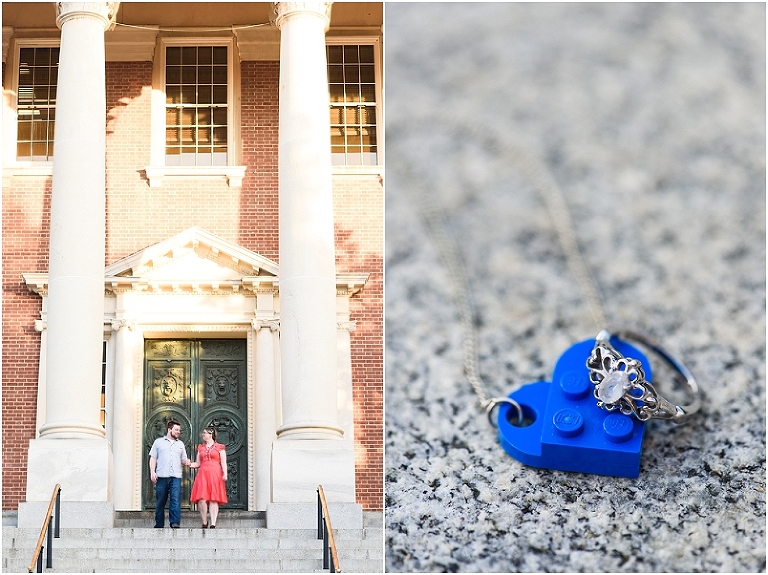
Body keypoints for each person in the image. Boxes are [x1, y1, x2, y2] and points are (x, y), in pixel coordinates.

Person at [148, 420, 191, 528]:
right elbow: (153, 458)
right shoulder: (158, 442)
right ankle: (159, 524)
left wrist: (186, 461)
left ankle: (174, 522)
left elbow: (183, 459)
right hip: (161, 476)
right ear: (169, 430)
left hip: (176, 477)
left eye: (179, 430)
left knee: (175, 500)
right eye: (176, 430)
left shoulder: (180, 444)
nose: (178, 432)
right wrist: (152, 471)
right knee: (160, 502)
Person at [189, 426, 228, 529]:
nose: (203, 434)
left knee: (213, 498)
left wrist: (225, 473)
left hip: (215, 473)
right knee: (201, 498)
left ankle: (213, 523)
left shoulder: (220, 447)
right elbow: (198, 463)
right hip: (203, 474)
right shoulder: (201, 447)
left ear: (211, 434)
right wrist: (189, 464)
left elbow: (223, 462)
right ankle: (204, 521)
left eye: (205, 433)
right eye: (203, 432)